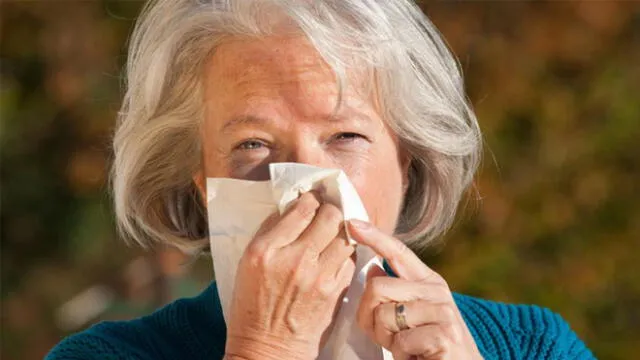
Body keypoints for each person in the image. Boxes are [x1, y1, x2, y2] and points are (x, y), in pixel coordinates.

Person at [47, 0, 594, 359]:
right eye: (252, 144)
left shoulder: (529, 346)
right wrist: (263, 347)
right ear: (203, 183)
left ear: (409, 161)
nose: (307, 183)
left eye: (345, 137)